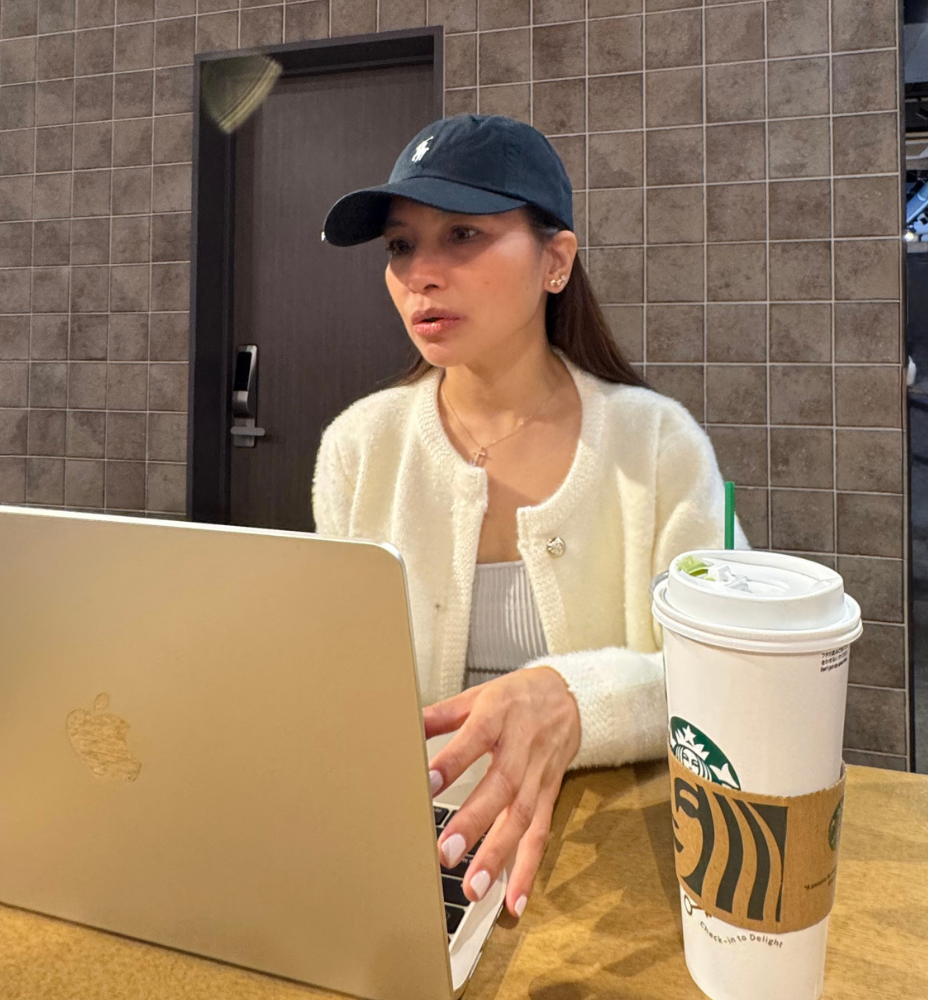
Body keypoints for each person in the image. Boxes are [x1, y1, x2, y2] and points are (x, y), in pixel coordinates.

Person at [313, 114, 742, 922]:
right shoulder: (358, 448)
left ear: (555, 261)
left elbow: (732, 673)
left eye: (463, 234)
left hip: (617, 868)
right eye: (401, 246)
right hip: (412, 866)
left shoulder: (658, 445)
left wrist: (575, 698)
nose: (421, 275)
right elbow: (339, 683)